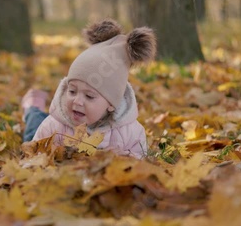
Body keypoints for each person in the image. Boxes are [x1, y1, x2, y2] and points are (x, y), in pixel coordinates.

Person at [21, 19, 156, 159]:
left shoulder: (130, 132)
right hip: (47, 128)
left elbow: (141, 161)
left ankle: (33, 105)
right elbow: (33, 153)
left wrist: (124, 159)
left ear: (111, 104)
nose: (77, 101)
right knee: (34, 126)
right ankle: (32, 108)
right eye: (72, 91)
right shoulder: (53, 126)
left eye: (89, 96)